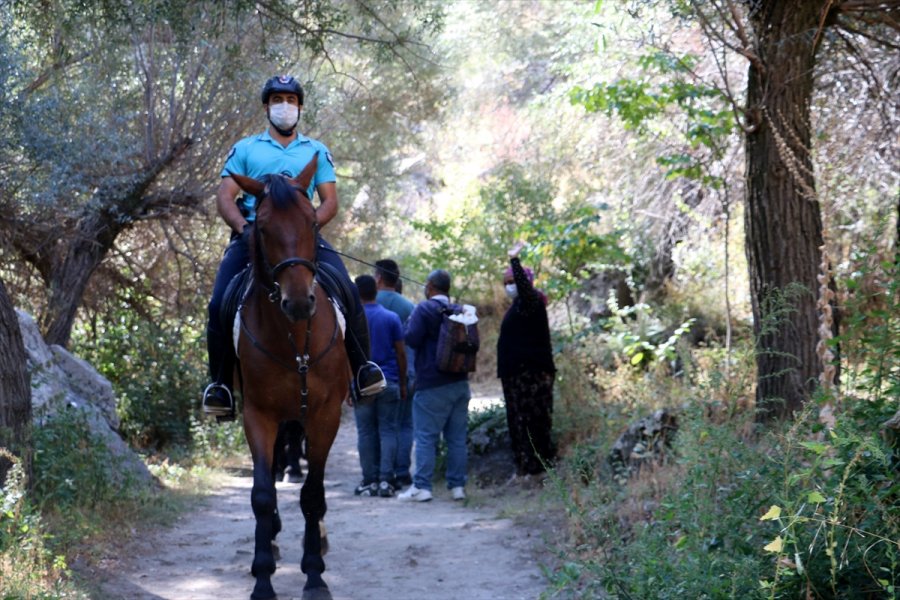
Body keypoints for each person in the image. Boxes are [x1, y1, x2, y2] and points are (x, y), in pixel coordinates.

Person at [202, 75, 385, 417]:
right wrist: (244, 229)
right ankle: (221, 386)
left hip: (302, 238)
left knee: (345, 288)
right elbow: (225, 196)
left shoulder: (315, 150)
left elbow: (329, 200)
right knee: (218, 303)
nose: (284, 105)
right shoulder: (245, 149)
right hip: (255, 237)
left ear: (299, 107)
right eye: (277, 99)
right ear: (267, 107)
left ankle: (363, 370)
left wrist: (308, 227)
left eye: (290, 99)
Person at [398, 269, 471, 502]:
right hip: (460, 382)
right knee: (457, 438)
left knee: (426, 437)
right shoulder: (459, 310)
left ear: (429, 286)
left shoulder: (424, 308)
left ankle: (422, 487)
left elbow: (411, 338)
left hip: (431, 383)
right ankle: (458, 487)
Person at [497, 241, 556, 476]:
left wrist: (514, 260)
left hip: (531, 374)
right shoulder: (517, 307)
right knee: (518, 422)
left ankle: (539, 467)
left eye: (512, 282)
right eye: (506, 283)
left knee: (535, 421)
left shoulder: (531, 303)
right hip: (515, 375)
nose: (509, 287)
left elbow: (524, 287)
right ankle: (525, 467)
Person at [352, 274, 408, 498]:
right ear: (376, 291)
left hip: (362, 383)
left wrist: (349, 385)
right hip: (389, 380)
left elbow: (346, 356)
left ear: (356, 294)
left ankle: (369, 480)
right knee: (388, 430)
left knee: (365, 432)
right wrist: (403, 382)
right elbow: (401, 353)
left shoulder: (352, 320)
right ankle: (387, 480)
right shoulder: (392, 317)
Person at [374, 258, 416, 488]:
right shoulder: (408, 306)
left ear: (378, 278)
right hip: (405, 373)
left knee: (376, 427)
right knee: (404, 425)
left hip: (371, 376)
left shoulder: (367, 303)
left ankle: (378, 474)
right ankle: (402, 473)